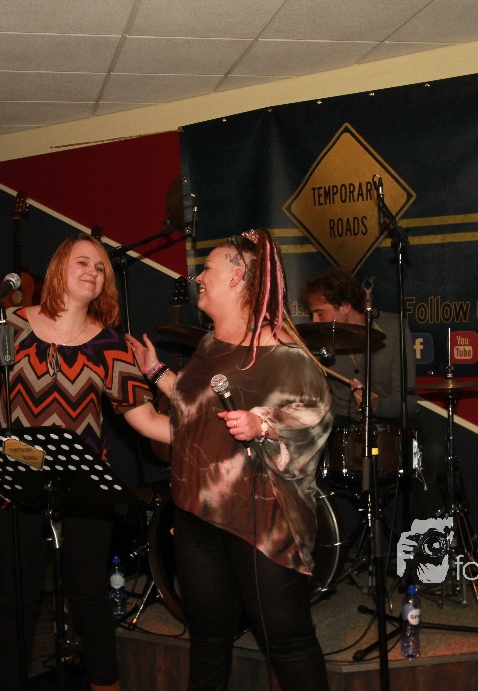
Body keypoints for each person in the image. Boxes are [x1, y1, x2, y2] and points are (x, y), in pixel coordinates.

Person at [0, 233, 168, 691]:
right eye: (83, 262)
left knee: (89, 596)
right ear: (58, 269)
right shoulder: (10, 325)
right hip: (13, 482)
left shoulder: (110, 343)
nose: (94, 272)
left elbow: (147, 420)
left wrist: (202, 430)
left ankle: (105, 684)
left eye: (101, 268)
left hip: (83, 487)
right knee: (16, 598)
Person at [126, 228, 333, 691]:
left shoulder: (283, 355)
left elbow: (317, 416)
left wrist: (265, 424)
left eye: (208, 269)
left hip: (262, 518)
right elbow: (193, 411)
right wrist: (154, 372)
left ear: (238, 277)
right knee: (207, 636)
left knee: (288, 641)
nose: (198, 277)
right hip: (198, 513)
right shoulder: (207, 347)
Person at [299, 268, 447, 520]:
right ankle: (327, 535)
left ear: (345, 306)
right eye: (311, 313)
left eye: (320, 312)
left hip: (392, 420)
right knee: (302, 449)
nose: (314, 320)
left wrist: (376, 405)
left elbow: (408, 402)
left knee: (434, 450)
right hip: (342, 423)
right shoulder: (318, 338)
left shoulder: (394, 328)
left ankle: (424, 540)